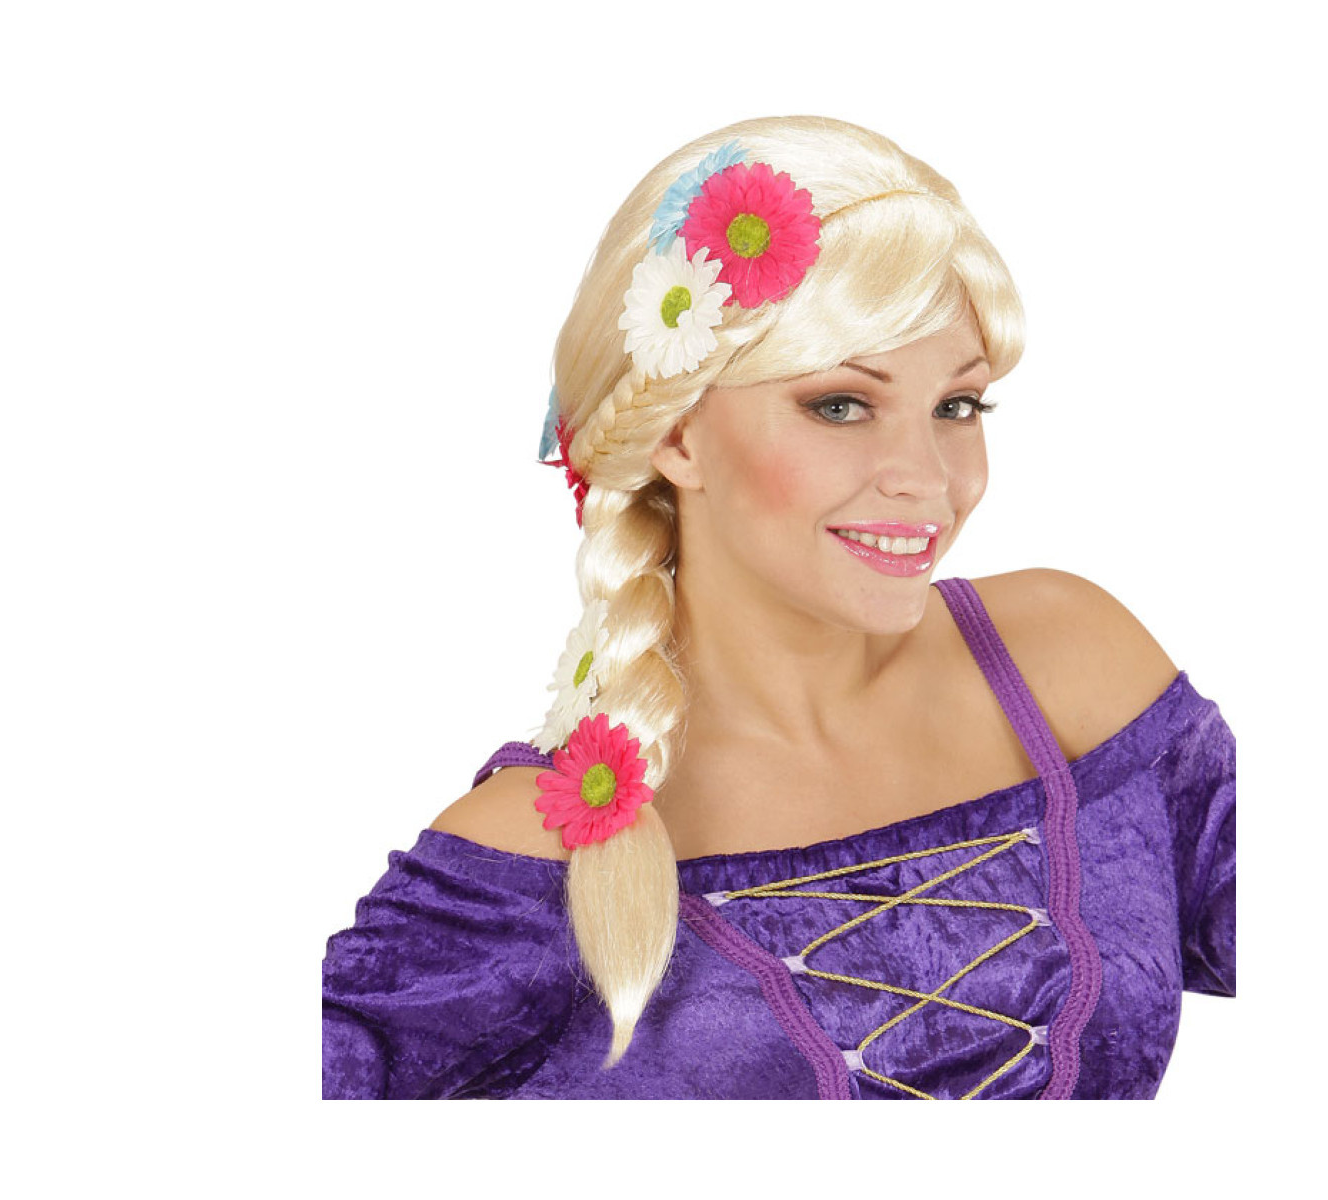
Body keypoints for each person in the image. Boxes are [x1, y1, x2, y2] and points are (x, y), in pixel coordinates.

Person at [321, 114, 1236, 1100]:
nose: (927, 480)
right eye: (840, 405)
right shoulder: (542, 851)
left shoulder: (1067, 668)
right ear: (676, 435)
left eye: (957, 406)